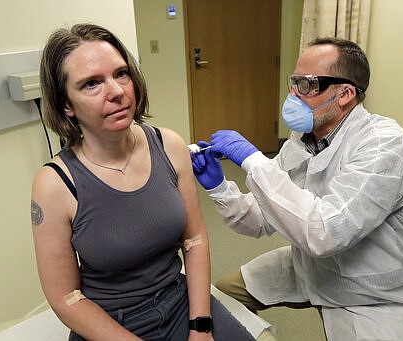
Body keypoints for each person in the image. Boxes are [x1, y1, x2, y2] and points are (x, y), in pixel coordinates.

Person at [191, 37, 403, 340]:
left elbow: (326, 232)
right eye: (294, 82)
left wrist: (255, 162)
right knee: (225, 297)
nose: (293, 94)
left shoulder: (384, 145)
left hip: (377, 292)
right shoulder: (302, 139)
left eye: (307, 84)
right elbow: (260, 220)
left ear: (345, 94)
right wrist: (220, 189)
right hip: (314, 267)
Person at [31, 23, 255, 341]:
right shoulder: (54, 184)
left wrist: (201, 326)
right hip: (110, 324)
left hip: (180, 302)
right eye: (92, 84)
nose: (117, 92)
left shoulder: (169, 146)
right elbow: (66, 298)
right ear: (66, 104)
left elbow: (194, 240)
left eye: (121, 74)